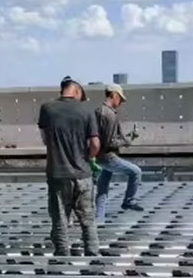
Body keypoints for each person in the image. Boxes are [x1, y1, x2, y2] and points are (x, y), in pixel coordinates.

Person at [37, 77, 101, 256]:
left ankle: (62, 257)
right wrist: (89, 157)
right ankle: (93, 255)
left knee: (60, 219)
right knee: (88, 220)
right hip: (82, 174)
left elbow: (45, 139)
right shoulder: (87, 110)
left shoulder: (47, 108)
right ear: (77, 91)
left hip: (57, 173)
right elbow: (95, 143)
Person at [95, 83, 142, 225]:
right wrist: (128, 140)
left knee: (102, 190)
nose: (120, 102)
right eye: (120, 99)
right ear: (114, 95)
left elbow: (103, 137)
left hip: (98, 155)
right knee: (136, 172)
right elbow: (110, 142)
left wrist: (127, 138)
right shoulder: (109, 115)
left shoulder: (98, 111)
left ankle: (99, 219)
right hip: (108, 157)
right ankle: (129, 201)